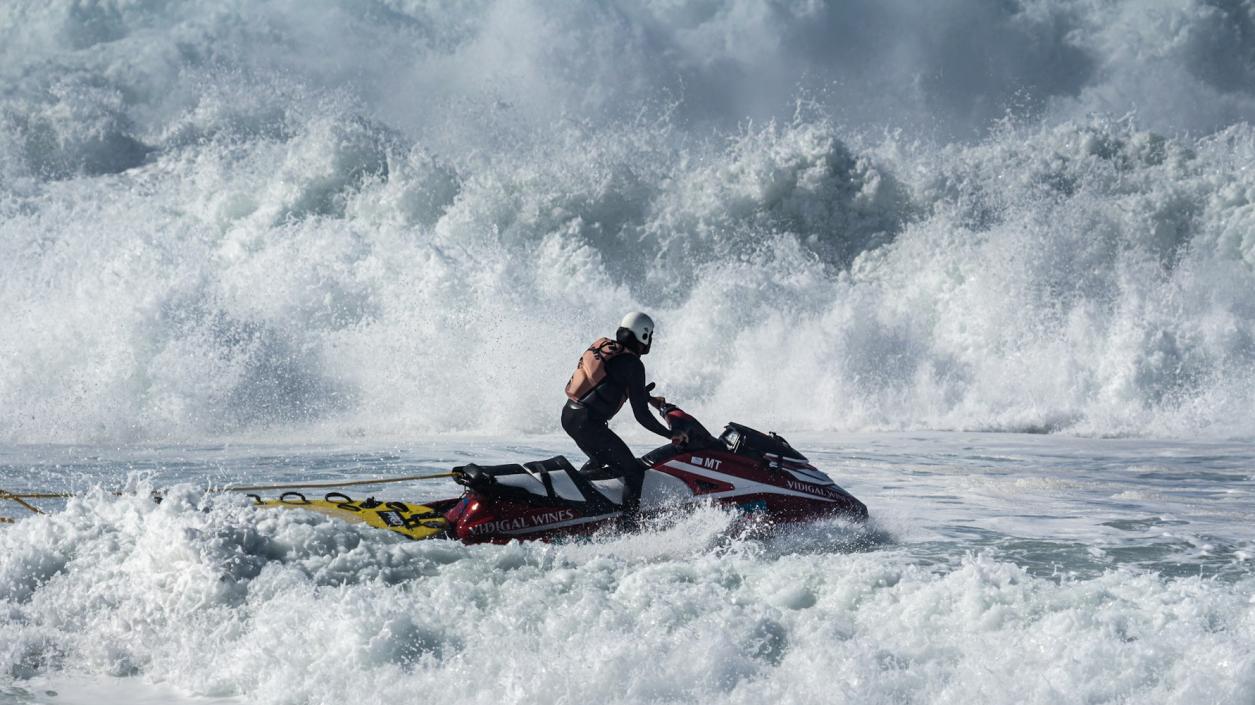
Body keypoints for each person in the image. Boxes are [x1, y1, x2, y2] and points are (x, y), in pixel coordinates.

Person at [562, 311, 682, 524]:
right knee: (633, 472)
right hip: (588, 424)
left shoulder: (607, 347)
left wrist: (649, 398)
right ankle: (629, 526)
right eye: (650, 336)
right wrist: (671, 434)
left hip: (570, 415)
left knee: (600, 459)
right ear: (644, 336)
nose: (651, 342)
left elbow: (608, 385)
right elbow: (642, 416)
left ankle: (578, 506)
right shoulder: (633, 364)